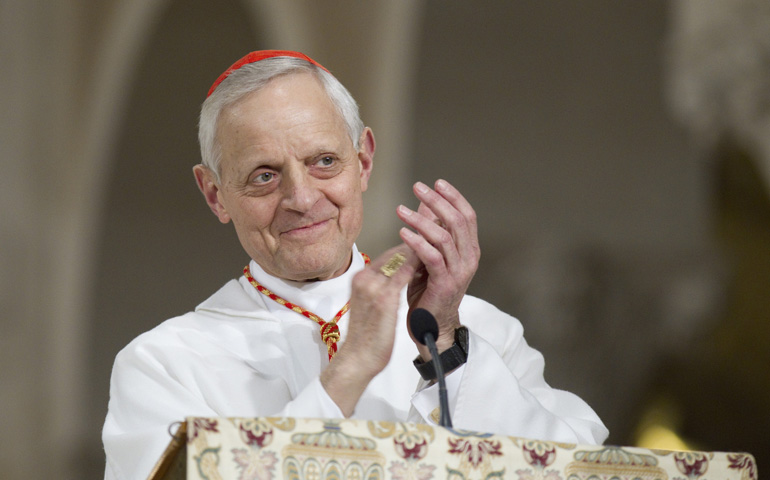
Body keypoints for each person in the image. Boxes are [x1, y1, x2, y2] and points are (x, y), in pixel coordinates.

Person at [102, 50, 608, 479]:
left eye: (324, 161)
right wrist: (351, 368)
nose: (301, 198)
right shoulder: (166, 364)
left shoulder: (479, 330)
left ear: (363, 161)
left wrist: (446, 348)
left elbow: (573, 468)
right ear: (215, 194)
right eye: (263, 175)